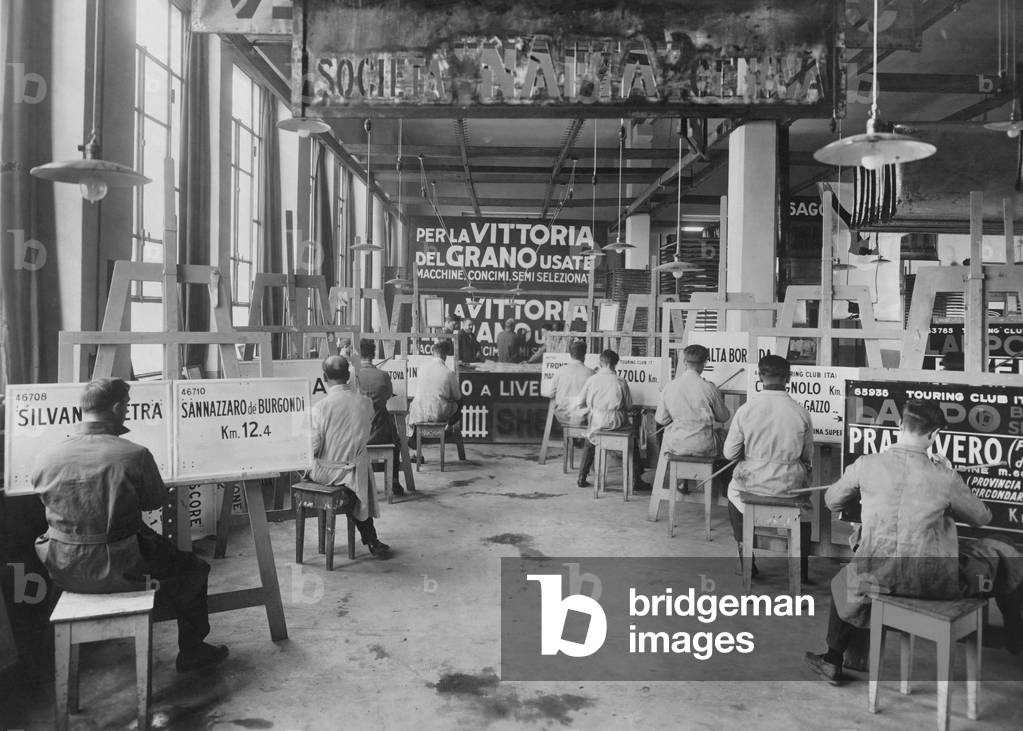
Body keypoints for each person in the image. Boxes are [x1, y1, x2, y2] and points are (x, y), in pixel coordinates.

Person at [804, 400, 1023, 684]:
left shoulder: (867, 464)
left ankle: (833, 659)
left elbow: (832, 501)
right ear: (934, 435)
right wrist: (949, 477)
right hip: (932, 581)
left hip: (877, 577)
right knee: (1005, 551)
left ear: (899, 426)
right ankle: (1015, 631)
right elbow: (982, 518)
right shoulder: (944, 475)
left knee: (847, 580)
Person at [32, 378, 228, 672]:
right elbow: (153, 503)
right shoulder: (134, 454)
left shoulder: (46, 457)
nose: (127, 412)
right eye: (127, 406)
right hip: (124, 569)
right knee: (194, 570)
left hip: (63, 569)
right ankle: (192, 651)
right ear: (116, 407)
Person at [723, 354, 813, 574]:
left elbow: (729, 453)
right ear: (788, 378)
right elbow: (806, 456)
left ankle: (746, 556)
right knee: (807, 505)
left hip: (753, 484)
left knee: (732, 492)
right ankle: (801, 565)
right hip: (789, 486)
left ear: (760, 376)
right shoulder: (801, 412)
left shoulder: (746, 410)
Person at [309, 355, 390, 555]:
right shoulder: (365, 403)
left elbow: (313, 447)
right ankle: (371, 539)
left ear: (324, 377)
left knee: (307, 466)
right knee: (359, 470)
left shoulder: (320, 407)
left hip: (327, 474)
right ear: (348, 376)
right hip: (356, 473)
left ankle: (366, 539)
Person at [573, 349, 650, 492]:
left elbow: (579, 402)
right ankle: (636, 480)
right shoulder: (620, 381)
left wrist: (594, 406)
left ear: (600, 363)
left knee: (590, 441)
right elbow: (628, 406)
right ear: (616, 364)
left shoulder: (591, 380)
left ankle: (581, 477)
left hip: (597, 421)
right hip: (617, 422)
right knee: (633, 442)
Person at [655, 344, 729, 457]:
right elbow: (724, 417)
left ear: (684, 361)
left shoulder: (669, 386)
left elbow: (661, 419)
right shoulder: (709, 388)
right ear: (705, 363)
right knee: (725, 436)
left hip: (677, 445)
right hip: (704, 446)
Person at [354, 339, 404, 497]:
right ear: (373, 354)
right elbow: (388, 395)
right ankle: (394, 481)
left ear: (358, 354)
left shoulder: (352, 376)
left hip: (358, 435)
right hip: (380, 432)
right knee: (397, 441)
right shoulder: (383, 376)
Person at [407, 340, 462, 435]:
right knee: (459, 403)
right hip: (437, 414)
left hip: (419, 413)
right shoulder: (449, 373)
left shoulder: (422, 368)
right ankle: (448, 428)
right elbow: (457, 397)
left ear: (433, 353)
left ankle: (415, 434)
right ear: (445, 356)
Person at [549, 339, 594, 428]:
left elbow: (551, 394)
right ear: (585, 355)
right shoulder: (591, 373)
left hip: (562, 416)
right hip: (582, 417)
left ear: (570, 355)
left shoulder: (560, 371)